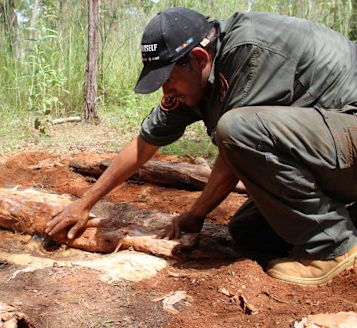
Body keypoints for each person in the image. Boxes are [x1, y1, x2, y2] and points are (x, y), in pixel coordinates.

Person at [45, 8, 357, 286]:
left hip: (349, 129)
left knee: (235, 128)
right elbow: (144, 143)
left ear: (198, 58)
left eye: (168, 78)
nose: (166, 89)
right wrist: (84, 203)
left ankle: (331, 248)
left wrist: (196, 212)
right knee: (249, 230)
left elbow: (236, 147)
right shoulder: (195, 82)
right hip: (334, 150)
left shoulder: (249, 53)